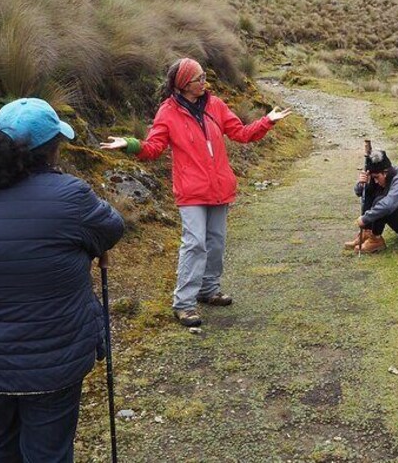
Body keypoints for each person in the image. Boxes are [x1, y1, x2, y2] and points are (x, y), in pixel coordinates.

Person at [0, 98, 125, 462]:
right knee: (48, 452)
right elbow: (111, 226)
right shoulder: (71, 196)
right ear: (51, 149)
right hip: (52, 364)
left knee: (5, 441)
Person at [100, 58, 290, 327]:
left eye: (204, 77)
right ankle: (184, 304)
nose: (204, 82)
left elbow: (242, 134)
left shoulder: (215, 105)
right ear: (183, 84)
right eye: (199, 78)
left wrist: (267, 121)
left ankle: (209, 290)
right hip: (191, 192)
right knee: (195, 243)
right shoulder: (167, 112)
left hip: (220, 188)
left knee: (216, 242)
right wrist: (130, 144)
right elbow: (154, 148)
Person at [344, 149, 398, 253]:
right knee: (370, 189)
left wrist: (365, 218)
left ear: (385, 173)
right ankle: (367, 233)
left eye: (377, 177)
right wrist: (362, 184)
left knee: (382, 203)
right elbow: (360, 193)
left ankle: (375, 240)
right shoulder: (385, 177)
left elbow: (388, 206)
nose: (376, 181)